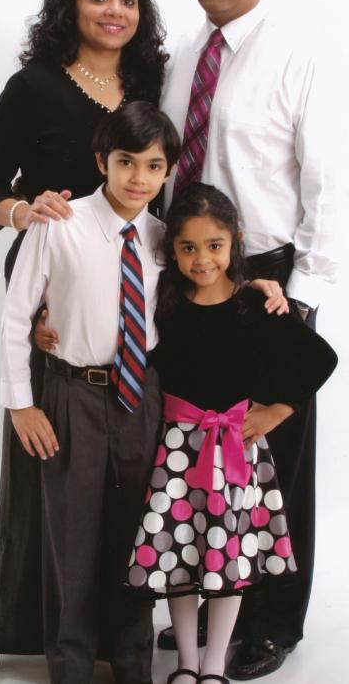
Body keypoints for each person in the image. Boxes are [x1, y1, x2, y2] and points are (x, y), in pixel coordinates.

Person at [0, 0, 168, 680]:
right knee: (40, 479)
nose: (116, 9)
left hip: (130, 293)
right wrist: (27, 209)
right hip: (53, 286)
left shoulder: (147, 85)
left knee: (120, 489)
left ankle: (117, 634)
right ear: (70, 6)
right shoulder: (35, 86)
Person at [158, 0, 337, 679]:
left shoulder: (301, 55)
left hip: (265, 274)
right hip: (188, 271)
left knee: (270, 452)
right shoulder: (186, 52)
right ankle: (206, 600)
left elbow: (330, 182)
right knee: (199, 449)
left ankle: (272, 620)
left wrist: (304, 296)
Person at [0, 100, 182, 684]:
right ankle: (71, 667)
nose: (138, 178)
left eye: (153, 166)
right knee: (70, 542)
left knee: (138, 538)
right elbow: (14, 316)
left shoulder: (162, 239)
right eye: (126, 162)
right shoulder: (60, 224)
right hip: (73, 395)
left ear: (167, 172)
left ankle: (133, 665)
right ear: (102, 160)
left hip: (141, 398)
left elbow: (209, 286)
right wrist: (22, 403)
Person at [127, 182, 337, 684]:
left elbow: (319, 358)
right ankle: (185, 662)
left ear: (235, 242)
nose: (202, 259)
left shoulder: (253, 305)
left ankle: (214, 663)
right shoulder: (165, 307)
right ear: (172, 249)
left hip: (234, 455)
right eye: (188, 247)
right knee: (178, 557)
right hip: (177, 455)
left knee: (228, 558)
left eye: (215, 246)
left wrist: (274, 413)